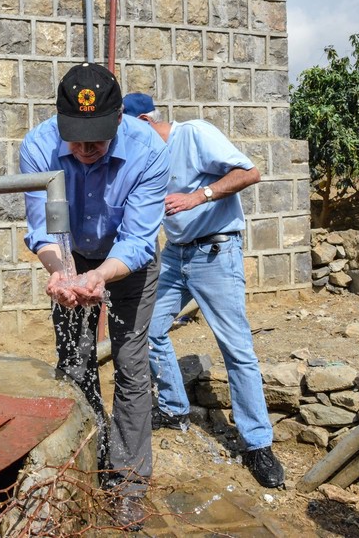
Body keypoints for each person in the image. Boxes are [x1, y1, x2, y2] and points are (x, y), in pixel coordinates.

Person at [19, 64, 169, 529]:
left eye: (97, 140)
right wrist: (64, 274)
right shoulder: (38, 146)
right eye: (77, 138)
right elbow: (41, 228)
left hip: (129, 266)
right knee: (74, 363)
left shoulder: (149, 151)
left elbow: (139, 241)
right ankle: (89, 460)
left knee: (130, 365)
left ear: (120, 118)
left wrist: (99, 276)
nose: (85, 151)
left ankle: (127, 483)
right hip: (69, 260)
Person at [123, 92, 285, 489]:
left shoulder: (194, 134)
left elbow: (250, 172)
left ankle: (257, 444)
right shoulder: (148, 158)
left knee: (237, 348)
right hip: (176, 257)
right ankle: (176, 408)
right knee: (148, 331)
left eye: (128, 133)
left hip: (216, 251)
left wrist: (199, 195)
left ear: (144, 121)